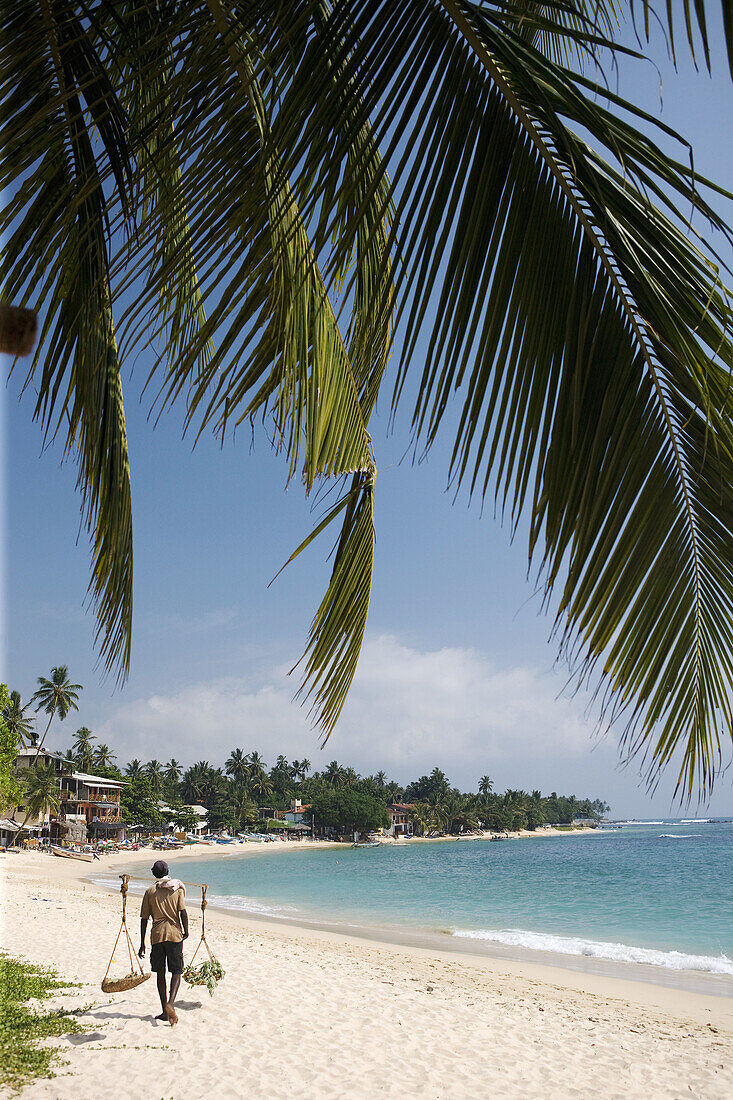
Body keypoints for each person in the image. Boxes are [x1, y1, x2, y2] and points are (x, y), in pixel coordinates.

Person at [138, 859, 188, 1026]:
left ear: (154, 873)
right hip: (174, 934)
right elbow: (183, 913)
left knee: (160, 972)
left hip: (157, 936)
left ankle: (164, 1011)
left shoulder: (150, 891)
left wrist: (142, 943)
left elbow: (144, 919)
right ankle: (170, 1004)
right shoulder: (177, 890)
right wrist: (186, 931)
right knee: (176, 971)